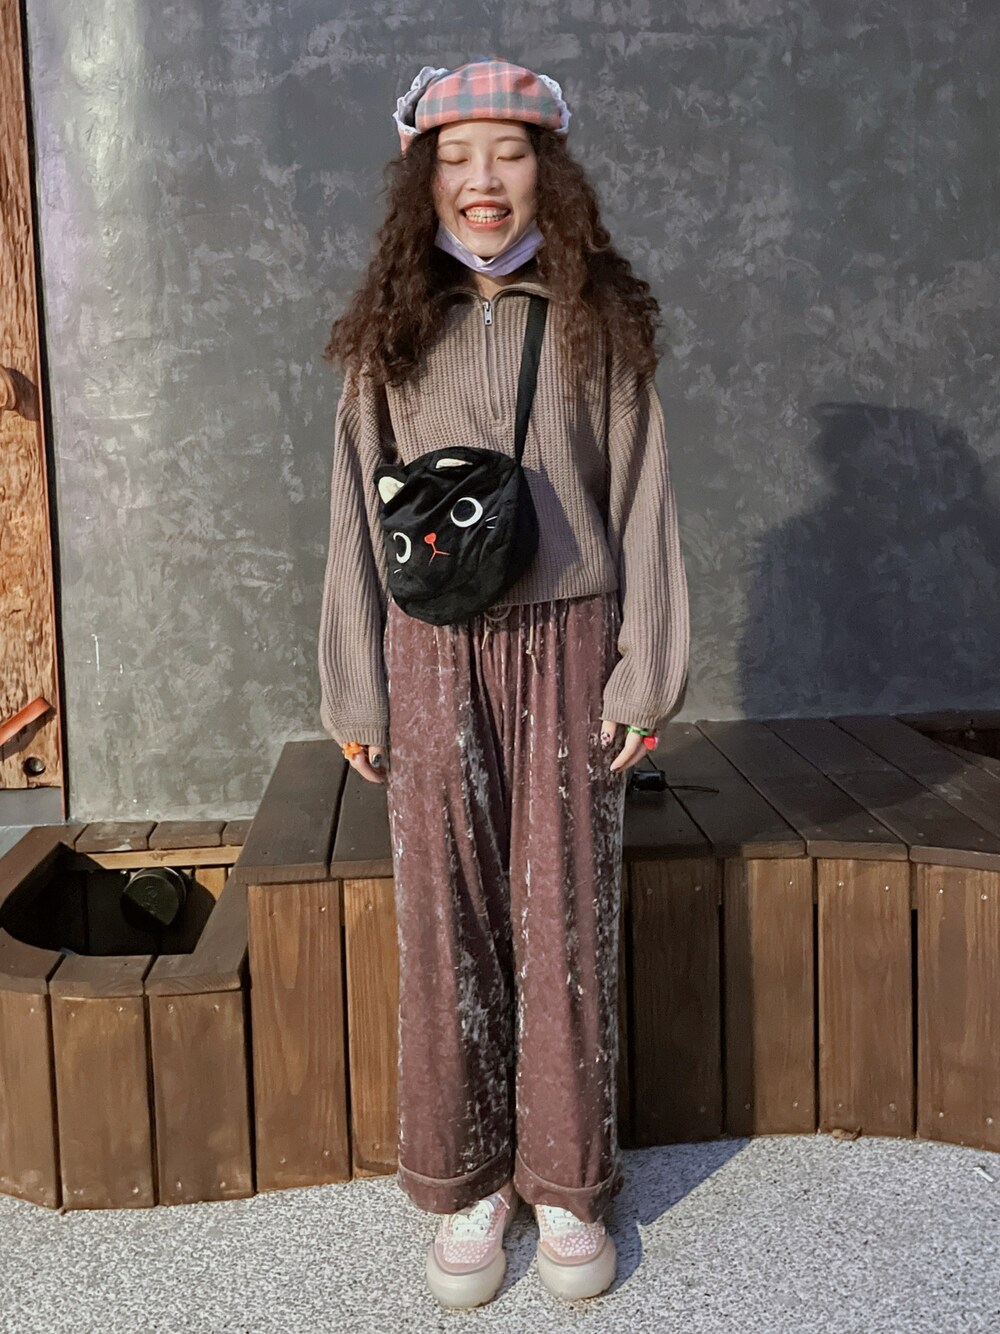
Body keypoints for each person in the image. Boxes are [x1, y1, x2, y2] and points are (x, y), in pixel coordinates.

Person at [318, 57, 690, 1308]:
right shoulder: (391, 325)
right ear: (423, 174)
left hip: (572, 640)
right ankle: (467, 1176)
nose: (483, 180)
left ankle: (570, 1180)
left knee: (564, 908)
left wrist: (646, 669)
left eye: (510, 152)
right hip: (430, 650)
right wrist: (355, 686)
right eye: (457, 154)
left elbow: (642, 493)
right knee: (447, 914)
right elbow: (351, 505)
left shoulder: (595, 318)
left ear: (549, 169)